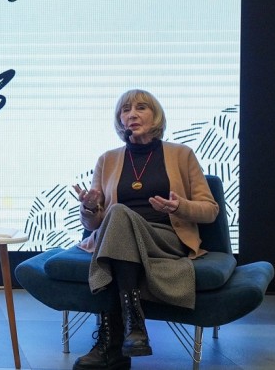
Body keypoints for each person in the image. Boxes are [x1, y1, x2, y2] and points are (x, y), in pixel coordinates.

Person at [70, 89, 218, 370]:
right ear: (120, 120)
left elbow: (210, 210)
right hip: (116, 236)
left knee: (118, 214)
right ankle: (132, 332)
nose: (132, 114)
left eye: (141, 108)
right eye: (125, 110)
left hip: (163, 237)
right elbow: (93, 225)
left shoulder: (182, 154)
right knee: (117, 215)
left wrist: (179, 206)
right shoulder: (107, 159)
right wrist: (89, 208)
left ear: (156, 116)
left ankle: (112, 342)